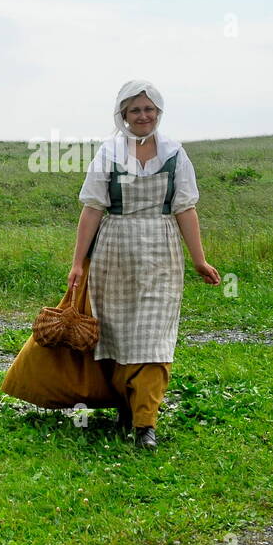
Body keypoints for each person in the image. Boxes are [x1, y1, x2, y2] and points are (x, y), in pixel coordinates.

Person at [69, 80, 220, 449]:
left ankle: (145, 424)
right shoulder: (109, 153)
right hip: (115, 251)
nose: (143, 116)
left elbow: (185, 207)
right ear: (123, 114)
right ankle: (127, 405)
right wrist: (77, 263)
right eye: (135, 110)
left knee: (154, 336)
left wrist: (198, 259)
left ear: (158, 113)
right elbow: (92, 209)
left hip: (161, 252)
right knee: (118, 333)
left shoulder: (174, 153)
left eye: (149, 109)